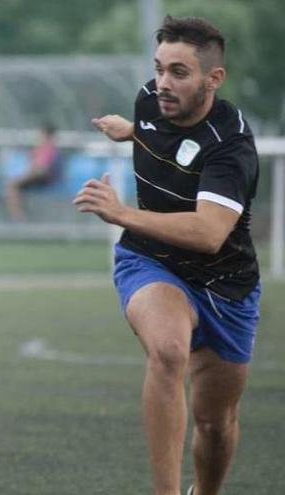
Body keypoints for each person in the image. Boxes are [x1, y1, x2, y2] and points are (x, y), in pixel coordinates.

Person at [75, 16, 261, 495]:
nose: (162, 83)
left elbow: (207, 233)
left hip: (226, 285)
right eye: (158, 69)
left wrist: (120, 214)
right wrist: (131, 130)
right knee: (168, 349)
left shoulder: (230, 145)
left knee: (215, 423)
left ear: (213, 79)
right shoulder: (150, 101)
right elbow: (158, 129)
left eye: (178, 72)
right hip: (151, 262)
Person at [4, 124, 61, 221]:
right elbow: (31, 160)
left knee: (13, 185)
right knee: (13, 184)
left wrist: (33, 168)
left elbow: (42, 166)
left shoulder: (49, 149)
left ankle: (18, 218)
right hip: (35, 176)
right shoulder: (41, 148)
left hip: (43, 177)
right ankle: (19, 215)